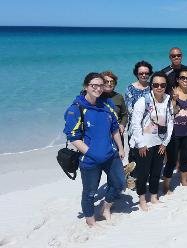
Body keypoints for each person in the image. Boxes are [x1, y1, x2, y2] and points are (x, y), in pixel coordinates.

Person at [63, 73, 126, 227]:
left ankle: (106, 206)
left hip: (111, 154)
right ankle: (90, 220)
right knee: (90, 192)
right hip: (90, 159)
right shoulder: (77, 108)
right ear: (86, 86)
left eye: (101, 85)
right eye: (94, 85)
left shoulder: (107, 104)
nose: (98, 89)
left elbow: (115, 129)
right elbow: (73, 136)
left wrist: (121, 148)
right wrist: (92, 153)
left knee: (120, 183)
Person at [129, 71, 174, 211]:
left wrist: (165, 142)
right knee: (143, 173)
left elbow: (171, 122)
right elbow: (135, 123)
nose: (159, 87)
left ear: (166, 85)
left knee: (156, 171)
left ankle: (154, 196)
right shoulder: (143, 100)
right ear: (151, 86)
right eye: (155, 84)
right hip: (144, 144)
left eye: (162, 84)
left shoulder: (168, 100)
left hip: (159, 143)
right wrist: (141, 144)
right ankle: (142, 198)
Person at [162, 67, 187, 193]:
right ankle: (166, 185)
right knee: (171, 160)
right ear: (177, 79)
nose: (185, 80)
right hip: (174, 133)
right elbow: (171, 113)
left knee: (185, 157)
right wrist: (174, 100)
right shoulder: (171, 94)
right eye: (182, 77)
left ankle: (184, 181)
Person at [101, 71, 128, 147]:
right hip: (101, 134)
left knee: (118, 156)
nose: (109, 84)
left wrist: (122, 125)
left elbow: (125, 115)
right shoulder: (96, 96)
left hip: (117, 133)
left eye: (112, 82)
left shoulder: (119, 97)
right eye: (106, 81)